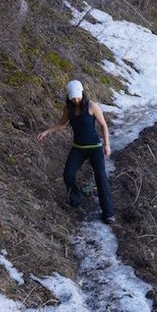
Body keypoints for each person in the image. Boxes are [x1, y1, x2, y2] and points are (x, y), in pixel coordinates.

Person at [37, 80, 115, 224]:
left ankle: (108, 213)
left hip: (94, 148)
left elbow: (103, 125)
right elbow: (61, 124)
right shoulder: (69, 109)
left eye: (78, 97)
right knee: (68, 174)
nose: (76, 100)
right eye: (73, 97)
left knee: (100, 177)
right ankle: (76, 199)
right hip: (78, 148)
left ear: (82, 94)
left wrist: (107, 145)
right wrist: (47, 132)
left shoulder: (92, 106)